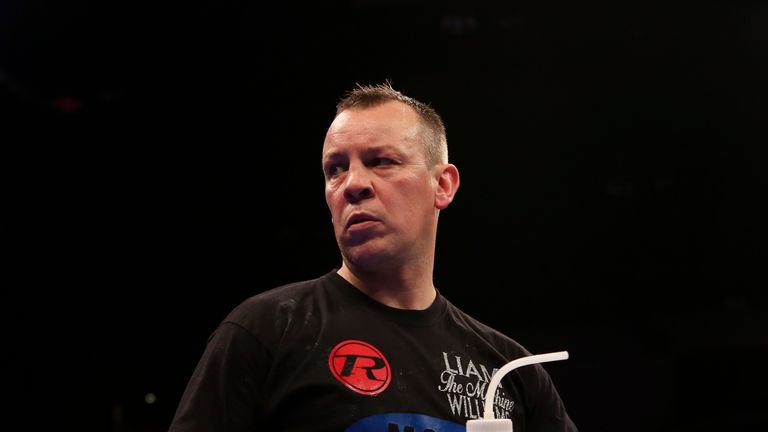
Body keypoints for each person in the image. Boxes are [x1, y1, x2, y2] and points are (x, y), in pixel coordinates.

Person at [167, 82, 578, 432]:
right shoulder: (267, 331)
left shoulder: (510, 371)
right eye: (336, 169)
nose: (353, 184)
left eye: (381, 162)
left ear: (443, 185)